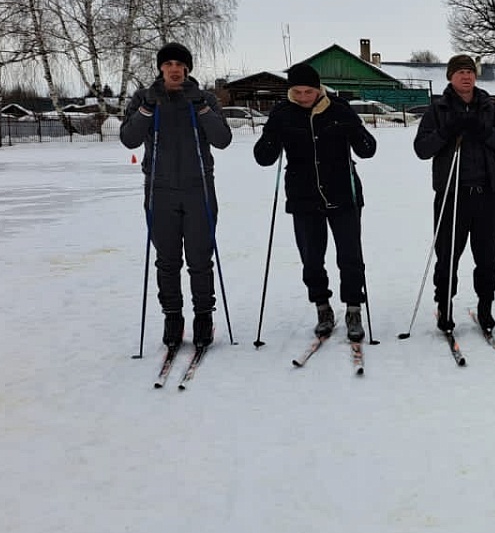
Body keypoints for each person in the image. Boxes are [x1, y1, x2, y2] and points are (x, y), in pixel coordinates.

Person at [252, 62, 377, 341]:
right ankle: (323, 308)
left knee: (350, 256)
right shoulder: (282, 113)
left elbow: (368, 149)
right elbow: (263, 157)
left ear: (319, 88)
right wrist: (272, 135)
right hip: (303, 197)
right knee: (311, 258)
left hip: (344, 194)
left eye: (308, 91)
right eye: (297, 91)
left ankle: (354, 308)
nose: (303, 97)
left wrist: (353, 127)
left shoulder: (338, 108)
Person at [120, 42, 232, 349]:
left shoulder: (204, 98)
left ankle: (203, 316)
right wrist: (146, 109)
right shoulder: (144, 98)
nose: (173, 69)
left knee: (200, 258)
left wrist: (202, 107)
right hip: (160, 190)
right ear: (160, 68)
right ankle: (172, 315)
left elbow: (222, 140)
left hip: (199, 189)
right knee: (167, 260)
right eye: (167, 63)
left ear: (187, 68)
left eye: (179, 64)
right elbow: (128, 138)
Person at [414, 54, 495, 333]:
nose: (466, 76)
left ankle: (485, 306)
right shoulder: (439, 110)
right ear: (450, 77)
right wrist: (447, 131)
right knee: (447, 255)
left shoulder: (490, 107)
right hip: (452, 194)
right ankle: (444, 306)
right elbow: (422, 149)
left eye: (470, 72)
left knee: (487, 256)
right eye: (459, 72)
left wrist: (483, 131)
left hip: (487, 194)